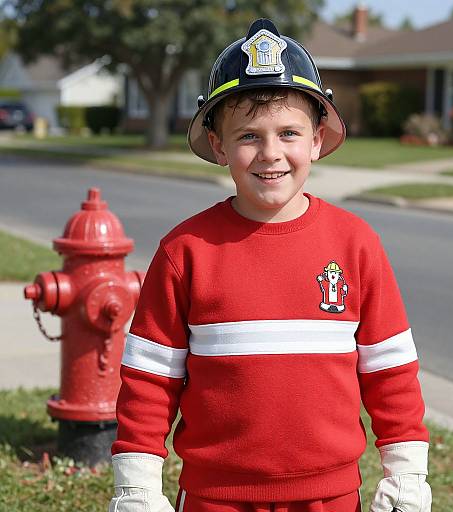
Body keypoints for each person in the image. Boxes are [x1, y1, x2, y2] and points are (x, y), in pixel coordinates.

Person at [109, 18, 432, 512]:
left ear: (317, 139)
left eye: (288, 133)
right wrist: (136, 485)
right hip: (215, 496)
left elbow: (390, 372)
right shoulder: (185, 251)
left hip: (331, 495)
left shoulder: (356, 244)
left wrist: (406, 473)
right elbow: (150, 380)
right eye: (248, 136)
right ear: (218, 145)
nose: (271, 154)